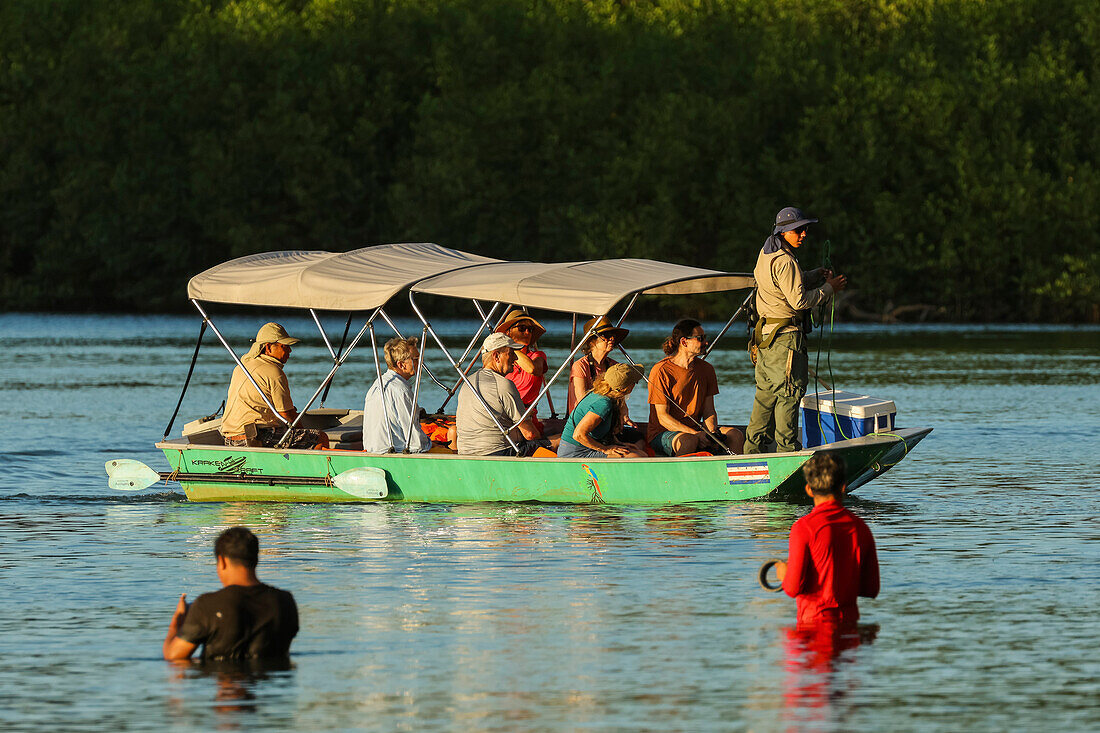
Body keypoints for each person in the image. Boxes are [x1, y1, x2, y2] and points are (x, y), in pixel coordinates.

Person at [743, 207, 847, 453]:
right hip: (785, 340)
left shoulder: (767, 252)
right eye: (798, 230)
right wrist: (829, 287)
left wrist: (813, 276)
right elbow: (799, 302)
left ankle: (751, 452)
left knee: (765, 396)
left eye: (805, 230)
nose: (803, 235)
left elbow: (782, 285)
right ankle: (787, 452)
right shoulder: (786, 260)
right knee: (789, 394)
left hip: (766, 338)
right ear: (783, 231)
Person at [163, 526, 299, 661]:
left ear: (222, 561)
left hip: (224, 676)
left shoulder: (207, 604)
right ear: (256, 560)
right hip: (272, 681)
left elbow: (173, 656)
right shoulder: (285, 602)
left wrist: (178, 621)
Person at [775, 452, 879, 626]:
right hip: (849, 631)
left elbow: (793, 588)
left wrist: (781, 571)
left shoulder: (803, 528)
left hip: (812, 630)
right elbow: (870, 589)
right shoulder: (861, 528)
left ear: (808, 489)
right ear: (843, 487)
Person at [219, 322, 328, 449]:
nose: (290, 350)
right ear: (269, 347)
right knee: (320, 438)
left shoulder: (240, 367)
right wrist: (303, 432)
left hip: (230, 439)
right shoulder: (274, 371)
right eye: (284, 346)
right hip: (255, 438)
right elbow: (286, 416)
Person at [647, 319, 744, 456]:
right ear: (684, 342)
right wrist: (696, 434)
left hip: (696, 430)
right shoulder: (661, 371)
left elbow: (709, 411)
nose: (706, 342)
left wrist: (711, 434)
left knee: (735, 435)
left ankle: (736, 474)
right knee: (688, 440)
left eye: (705, 338)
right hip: (663, 433)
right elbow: (663, 418)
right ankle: (680, 475)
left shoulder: (707, 369)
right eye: (700, 338)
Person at [455, 333, 551, 456]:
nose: (515, 359)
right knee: (559, 442)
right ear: (496, 356)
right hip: (497, 453)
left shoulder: (467, 382)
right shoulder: (503, 384)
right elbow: (530, 434)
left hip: (466, 453)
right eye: (511, 354)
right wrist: (544, 439)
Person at [558, 363, 648, 459]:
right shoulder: (603, 403)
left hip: (588, 446)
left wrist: (619, 444)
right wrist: (605, 449)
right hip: (575, 453)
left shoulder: (604, 392)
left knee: (639, 452)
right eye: (635, 382)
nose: (635, 385)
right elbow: (578, 435)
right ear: (626, 388)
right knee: (638, 457)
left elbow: (603, 431)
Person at [362, 337, 433, 454]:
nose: (420, 362)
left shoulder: (377, 384)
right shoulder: (401, 391)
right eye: (416, 359)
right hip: (395, 456)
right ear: (401, 365)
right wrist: (432, 444)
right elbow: (416, 443)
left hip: (372, 452)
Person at [496, 309, 549, 434]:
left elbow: (533, 369)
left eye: (530, 329)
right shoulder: (500, 359)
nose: (527, 332)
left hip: (526, 417)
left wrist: (511, 348)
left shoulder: (538, 356)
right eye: (522, 328)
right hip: (503, 414)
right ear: (509, 332)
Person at [567, 316, 628, 414]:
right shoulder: (580, 366)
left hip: (608, 419)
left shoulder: (614, 366)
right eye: (606, 335)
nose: (612, 338)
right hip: (584, 419)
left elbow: (621, 401)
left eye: (613, 335)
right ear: (592, 341)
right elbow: (582, 401)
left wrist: (624, 416)